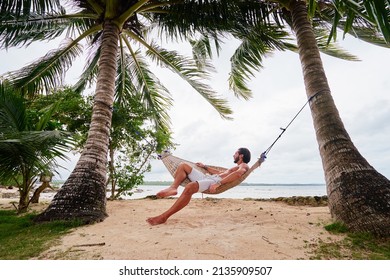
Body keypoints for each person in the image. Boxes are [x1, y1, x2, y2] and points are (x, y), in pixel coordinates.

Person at [146, 148, 251, 226]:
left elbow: (238, 174)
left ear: (241, 156)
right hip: (209, 177)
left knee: (190, 187)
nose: (233, 155)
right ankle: (173, 188)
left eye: (236, 153)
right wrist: (204, 167)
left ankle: (164, 217)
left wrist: (218, 184)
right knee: (183, 166)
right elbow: (219, 172)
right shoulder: (234, 167)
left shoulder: (244, 166)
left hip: (214, 181)